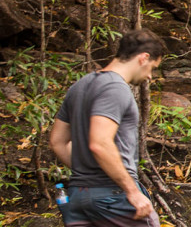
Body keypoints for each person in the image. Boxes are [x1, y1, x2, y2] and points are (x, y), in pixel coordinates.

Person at [49, 29, 165, 226]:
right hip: (112, 196)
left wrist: (87, 176)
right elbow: (100, 143)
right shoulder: (115, 88)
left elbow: (57, 141)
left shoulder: (80, 86)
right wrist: (132, 191)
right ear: (143, 58)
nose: (150, 77)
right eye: (152, 68)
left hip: (78, 196)